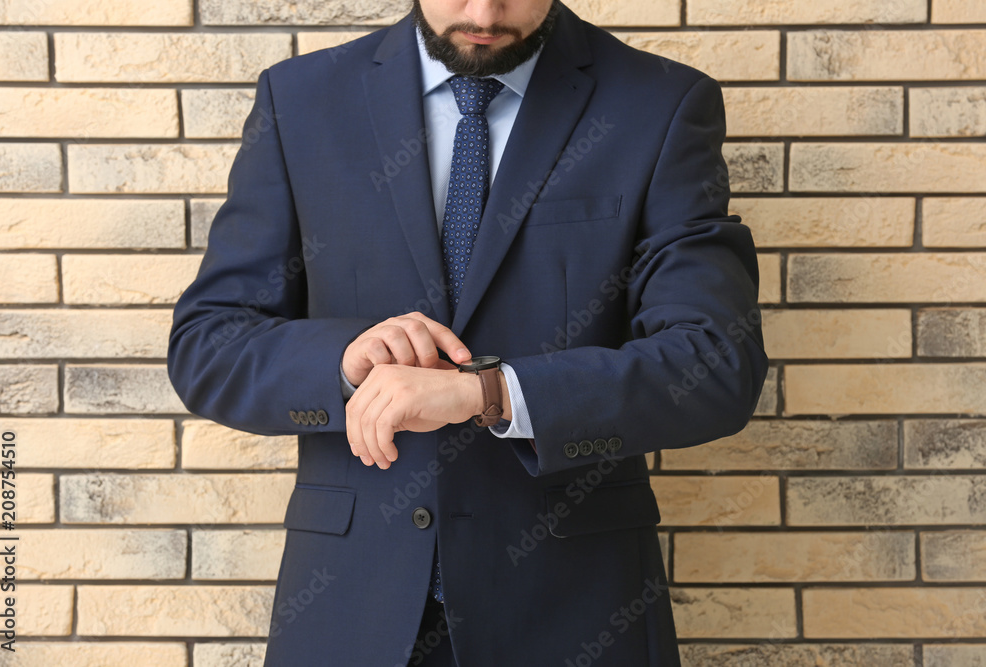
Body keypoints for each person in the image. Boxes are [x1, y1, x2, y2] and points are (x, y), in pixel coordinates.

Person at [167, 0, 768, 664]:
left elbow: (714, 360)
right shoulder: (302, 101)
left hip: (574, 612)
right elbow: (209, 342)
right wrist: (342, 358)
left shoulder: (660, 105)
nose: (485, 12)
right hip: (351, 612)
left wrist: (494, 392)